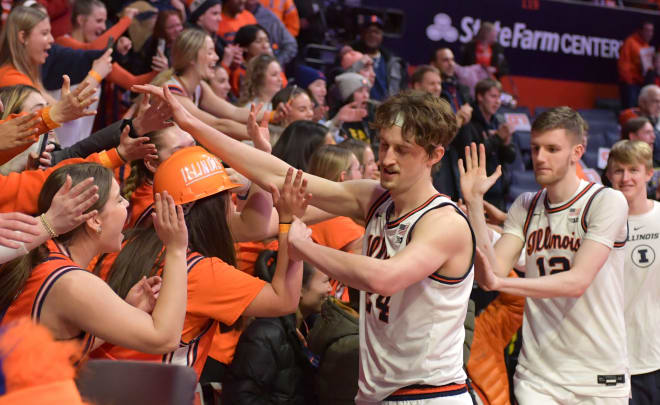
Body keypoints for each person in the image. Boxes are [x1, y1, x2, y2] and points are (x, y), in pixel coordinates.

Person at [134, 84, 475, 404]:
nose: (387, 159)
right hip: (376, 392)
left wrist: (305, 246)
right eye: (384, 145)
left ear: (434, 155)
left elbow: (384, 277)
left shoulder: (444, 222)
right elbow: (282, 175)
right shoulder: (374, 197)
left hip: (430, 394)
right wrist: (192, 123)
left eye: (403, 151)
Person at [460, 107, 629, 404]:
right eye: (536, 147)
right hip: (537, 375)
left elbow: (576, 282)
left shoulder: (606, 201)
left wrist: (500, 284)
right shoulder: (525, 205)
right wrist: (474, 203)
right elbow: (494, 269)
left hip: (598, 371)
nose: (539, 157)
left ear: (577, 151)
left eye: (552, 149)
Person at [94, 146, 307, 379]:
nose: (234, 205)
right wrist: (288, 222)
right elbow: (284, 299)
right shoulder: (198, 271)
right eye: (228, 197)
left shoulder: (123, 243)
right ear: (210, 210)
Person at [0, 162, 190, 358]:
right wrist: (176, 249)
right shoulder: (71, 282)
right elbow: (165, 338)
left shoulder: (45, 252)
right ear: (94, 220)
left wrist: (129, 309)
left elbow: (56, 345)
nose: (126, 204)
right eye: (118, 200)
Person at [223, 260, 329, 404]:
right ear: (299, 289)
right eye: (325, 282)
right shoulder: (264, 333)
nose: (330, 289)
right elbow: (241, 398)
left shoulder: (308, 327)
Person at [606, 140, 660, 405]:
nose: (625, 178)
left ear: (649, 173)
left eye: (633, 170)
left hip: (655, 354)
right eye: (618, 171)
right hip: (612, 357)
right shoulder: (598, 223)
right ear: (608, 175)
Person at [151, 28, 267, 140]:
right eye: (210, 52)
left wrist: (274, 116)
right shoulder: (172, 91)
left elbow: (234, 112)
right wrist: (260, 135)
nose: (216, 57)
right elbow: (217, 125)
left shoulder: (199, 86)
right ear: (191, 57)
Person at [308, 145, 364, 300]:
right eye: (359, 169)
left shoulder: (313, 209)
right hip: (331, 306)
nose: (363, 175)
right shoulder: (333, 219)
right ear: (344, 177)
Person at [452, 78, 514, 210]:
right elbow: (468, 155)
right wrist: (497, 138)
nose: (497, 101)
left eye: (499, 97)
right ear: (480, 96)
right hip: (477, 192)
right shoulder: (468, 121)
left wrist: (506, 143)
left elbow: (511, 157)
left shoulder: (498, 120)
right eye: (493, 96)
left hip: (499, 191)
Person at [350, 15, 407, 102]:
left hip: (385, 110)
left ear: (382, 35)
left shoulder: (393, 62)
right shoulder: (350, 56)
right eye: (369, 31)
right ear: (362, 34)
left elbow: (402, 92)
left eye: (376, 32)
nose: (372, 35)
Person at [245, 0, 297, 66]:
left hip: (263, 68)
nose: (265, 45)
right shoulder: (234, 13)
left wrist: (274, 63)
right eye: (258, 41)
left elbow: (291, 44)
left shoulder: (270, 18)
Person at [432, 48, 472, 128]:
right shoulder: (434, 91)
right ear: (434, 64)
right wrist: (458, 119)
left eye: (452, 60)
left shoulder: (463, 89)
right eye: (445, 60)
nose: (451, 64)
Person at [619, 21, 655, 109]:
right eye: (647, 30)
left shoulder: (647, 46)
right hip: (630, 84)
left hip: (641, 84)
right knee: (630, 111)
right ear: (640, 31)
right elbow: (624, 64)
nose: (649, 33)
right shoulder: (630, 42)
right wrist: (629, 81)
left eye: (651, 31)